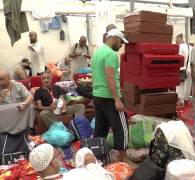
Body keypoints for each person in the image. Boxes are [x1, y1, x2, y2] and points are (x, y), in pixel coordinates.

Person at [91, 29, 135, 167]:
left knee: (100, 127)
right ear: (114, 38)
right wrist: (117, 99)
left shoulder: (97, 52)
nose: (121, 45)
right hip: (110, 97)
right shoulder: (111, 54)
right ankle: (123, 157)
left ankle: (97, 156)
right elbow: (110, 77)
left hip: (98, 96)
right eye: (121, 41)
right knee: (121, 128)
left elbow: (97, 75)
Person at [29, 144, 114, 180]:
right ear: (53, 163)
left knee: (82, 152)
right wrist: (91, 164)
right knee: (86, 153)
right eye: (58, 154)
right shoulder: (75, 176)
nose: (62, 156)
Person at [0, 69, 34, 134]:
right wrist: (2, 97)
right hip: (5, 111)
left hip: (19, 109)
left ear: (9, 78)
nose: (0, 82)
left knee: (30, 106)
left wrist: (24, 104)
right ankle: (4, 132)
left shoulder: (18, 85)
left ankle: (27, 130)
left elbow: (30, 97)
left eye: (1, 79)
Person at [175, 33, 192, 107]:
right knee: (188, 86)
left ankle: (181, 102)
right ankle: (186, 101)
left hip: (181, 69)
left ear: (179, 39)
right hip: (190, 69)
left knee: (180, 86)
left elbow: (179, 59)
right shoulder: (190, 47)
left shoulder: (179, 47)